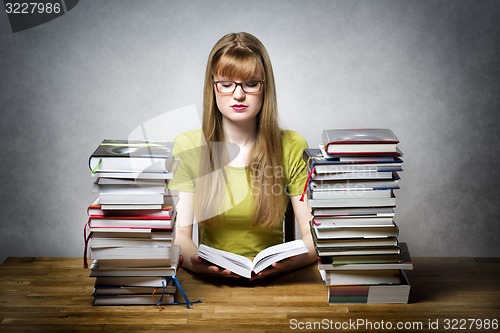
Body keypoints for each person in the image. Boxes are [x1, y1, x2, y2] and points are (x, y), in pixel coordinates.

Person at [169, 32, 317, 280]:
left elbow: (313, 235)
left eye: (250, 83)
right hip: (209, 288)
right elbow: (180, 236)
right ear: (212, 87)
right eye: (226, 84)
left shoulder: (292, 145)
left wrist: (288, 265)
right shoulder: (188, 146)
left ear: (264, 87)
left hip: (278, 285)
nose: (238, 95)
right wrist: (196, 265)